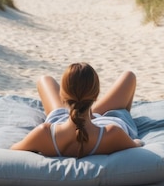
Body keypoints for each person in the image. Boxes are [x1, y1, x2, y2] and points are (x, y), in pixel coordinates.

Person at [11, 62, 143, 158]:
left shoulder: (44, 133)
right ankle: (89, 113)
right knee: (129, 76)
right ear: (96, 95)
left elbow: (14, 149)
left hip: (60, 124)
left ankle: (86, 112)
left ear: (62, 95)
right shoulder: (114, 133)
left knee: (44, 80)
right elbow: (137, 144)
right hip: (102, 126)